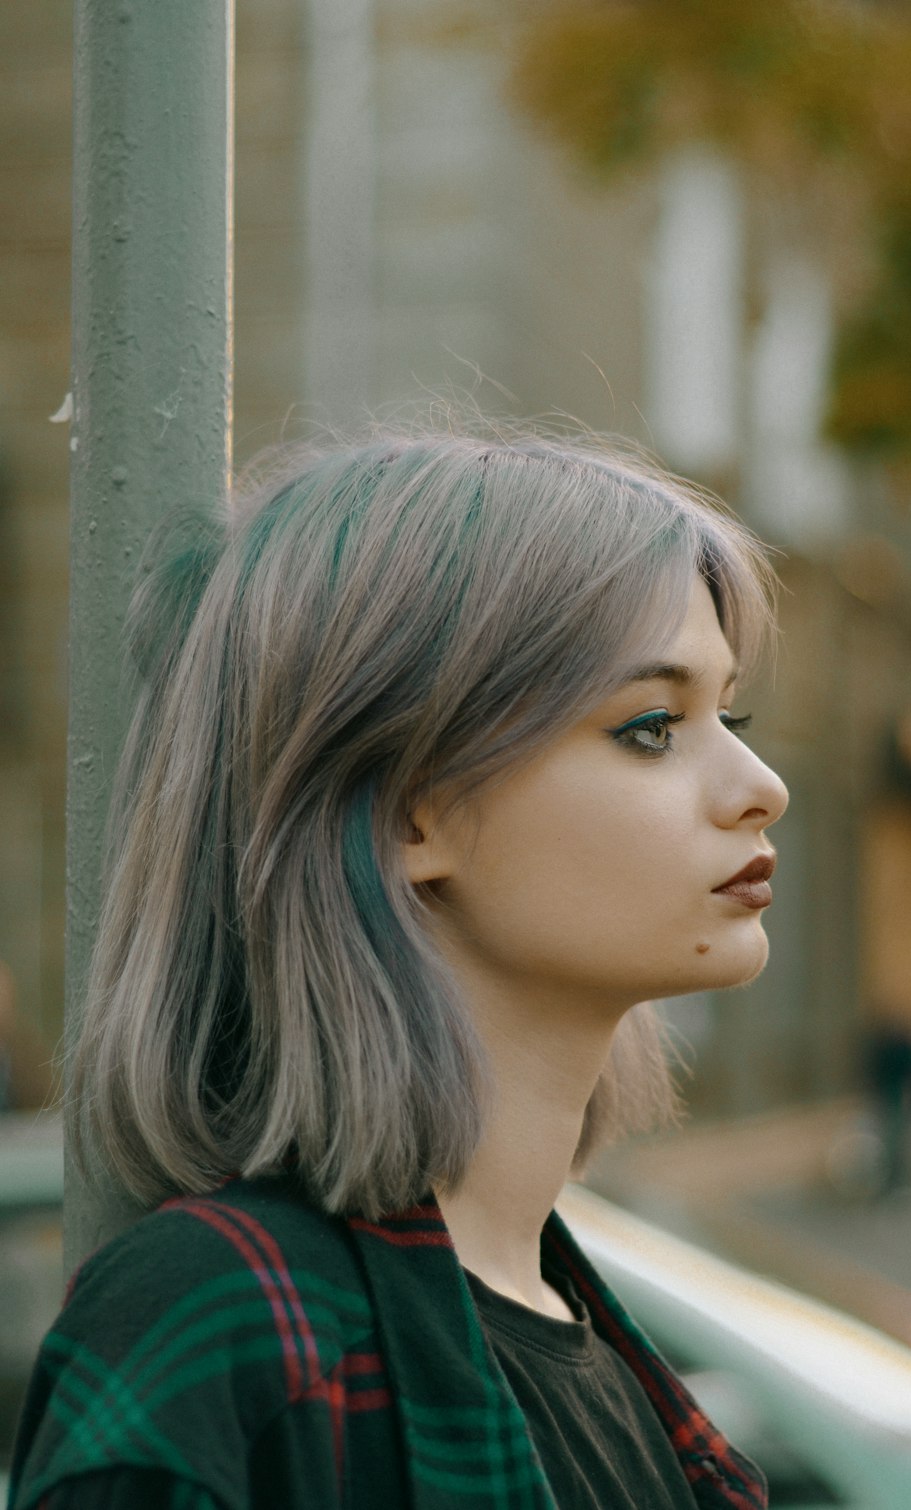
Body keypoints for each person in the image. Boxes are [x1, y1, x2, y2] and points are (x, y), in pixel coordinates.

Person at [9, 426, 788, 1509]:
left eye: (729, 711)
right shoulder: (229, 1329)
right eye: (652, 726)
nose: (760, 784)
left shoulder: (591, 1346)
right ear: (410, 808)